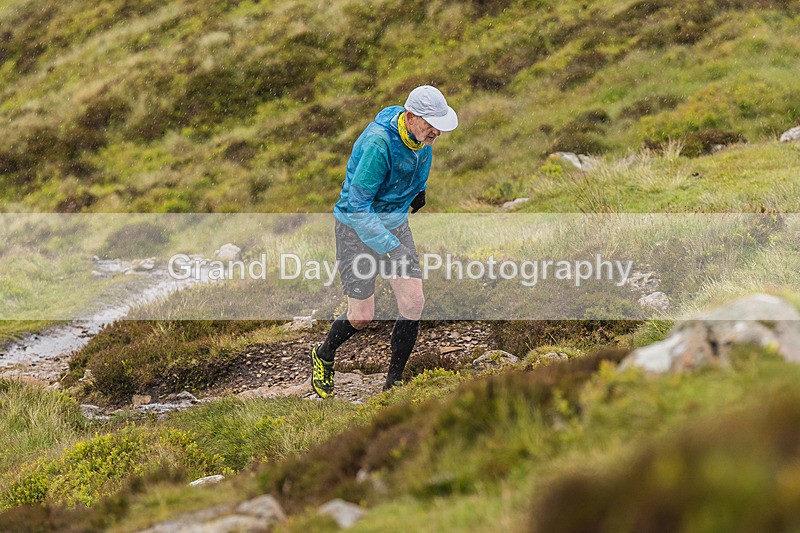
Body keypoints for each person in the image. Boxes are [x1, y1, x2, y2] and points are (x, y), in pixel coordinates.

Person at [309, 85, 458, 398]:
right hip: (355, 230)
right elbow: (357, 207)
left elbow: (417, 165)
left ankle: (394, 383)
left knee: (414, 302)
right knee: (361, 316)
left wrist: (418, 191)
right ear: (412, 116)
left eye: (439, 126)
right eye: (432, 124)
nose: (437, 133)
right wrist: (390, 247)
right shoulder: (379, 143)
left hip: (394, 224)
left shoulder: (420, 137)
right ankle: (323, 354)